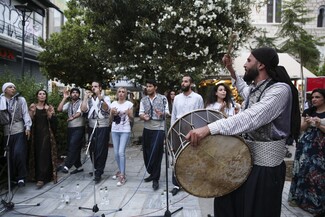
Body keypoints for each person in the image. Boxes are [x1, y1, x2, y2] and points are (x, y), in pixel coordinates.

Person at [185, 47, 300, 217]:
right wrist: (230, 69)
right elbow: (242, 88)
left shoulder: (279, 90)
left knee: (257, 211)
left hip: (266, 168)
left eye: (248, 60)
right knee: (227, 204)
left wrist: (208, 129)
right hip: (245, 161)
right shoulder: (256, 89)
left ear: (261, 65)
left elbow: (250, 118)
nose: (245, 65)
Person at [288, 88, 325, 217]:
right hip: (306, 145)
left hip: (321, 148)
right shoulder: (308, 111)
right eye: (313, 97)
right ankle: (304, 201)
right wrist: (308, 123)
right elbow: (300, 128)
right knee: (305, 171)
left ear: (324, 98)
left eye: (317, 97)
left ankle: (318, 204)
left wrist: (319, 124)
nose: (314, 99)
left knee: (319, 174)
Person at [170, 75, 204, 196]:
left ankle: (190, 183)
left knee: (192, 155)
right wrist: (171, 131)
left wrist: (199, 131)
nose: (183, 83)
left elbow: (201, 115)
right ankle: (176, 184)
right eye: (182, 81)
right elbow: (174, 114)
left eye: (186, 81)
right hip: (177, 128)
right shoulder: (177, 98)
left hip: (192, 129)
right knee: (176, 156)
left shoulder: (197, 98)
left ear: (191, 84)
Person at [139, 79, 169, 191]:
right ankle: (152, 173)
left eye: (150, 86)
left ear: (155, 87)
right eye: (147, 86)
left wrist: (162, 114)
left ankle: (155, 178)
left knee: (156, 153)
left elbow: (167, 113)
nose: (148, 88)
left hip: (159, 129)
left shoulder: (163, 98)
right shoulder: (143, 99)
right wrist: (143, 117)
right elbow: (140, 113)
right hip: (147, 128)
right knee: (147, 153)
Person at [0, 82, 31, 187]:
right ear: (4, 90)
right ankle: (12, 178)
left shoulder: (20, 100)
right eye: (10, 87)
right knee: (9, 156)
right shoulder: (1, 101)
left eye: (14, 87)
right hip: (6, 131)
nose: (13, 88)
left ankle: (21, 177)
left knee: (19, 153)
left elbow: (25, 113)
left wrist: (27, 127)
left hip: (19, 129)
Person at [80, 81, 111, 183]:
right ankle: (96, 167)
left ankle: (99, 172)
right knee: (92, 148)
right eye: (92, 86)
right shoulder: (89, 100)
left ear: (100, 88)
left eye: (96, 86)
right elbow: (83, 110)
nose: (93, 88)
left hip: (102, 126)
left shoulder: (105, 98)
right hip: (91, 125)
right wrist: (85, 97)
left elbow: (107, 109)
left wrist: (99, 97)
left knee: (101, 149)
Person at [29, 90, 58, 189]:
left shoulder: (49, 107)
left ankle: (42, 178)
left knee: (44, 155)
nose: (42, 95)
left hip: (47, 135)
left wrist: (50, 115)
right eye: (40, 94)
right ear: (37, 96)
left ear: (46, 96)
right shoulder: (33, 107)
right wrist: (31, 112)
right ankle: (37, 176)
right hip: (36, 135)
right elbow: (29, 121)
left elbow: (54, 123)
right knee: (36, 155)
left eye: (44, 94)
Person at [57, 88, 85, 174]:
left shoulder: (81, 103)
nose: (75, 94)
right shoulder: (69, 103)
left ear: (79, 94)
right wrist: (64, 98)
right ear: (71, 94)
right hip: (70, 128)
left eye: (77, 93)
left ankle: (67, 166)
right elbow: (59, 109)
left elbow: (80, 112)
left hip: (79, 127)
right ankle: (79, 166)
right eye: (73, 93)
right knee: (73, 147)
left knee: (73, 145)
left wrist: (72, 117)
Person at [110, 87, 133, 186]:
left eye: (123, 92)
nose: (121, 93)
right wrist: (111, 113)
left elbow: (132, 119)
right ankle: (120, 171)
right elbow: (110, 120)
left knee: (121, 152)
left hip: (125, 130)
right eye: (119, 92)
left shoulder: (129, 104)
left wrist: (129, 114)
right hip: (115, 130)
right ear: (117, 94)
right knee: (115, 153)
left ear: (126, 94)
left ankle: (122, 175)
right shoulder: (113, 104)